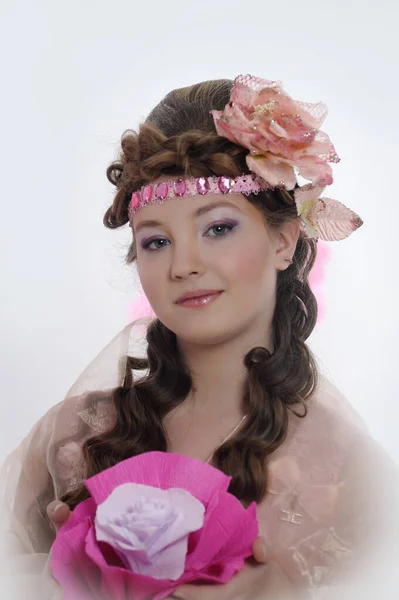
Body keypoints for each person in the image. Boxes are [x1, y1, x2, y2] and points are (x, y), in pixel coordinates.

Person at [1, 74, 398, 600]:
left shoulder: (348, 473)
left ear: (283, 240)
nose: (184, 265)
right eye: (157, 241)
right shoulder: (73, 438)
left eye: (217, 228)